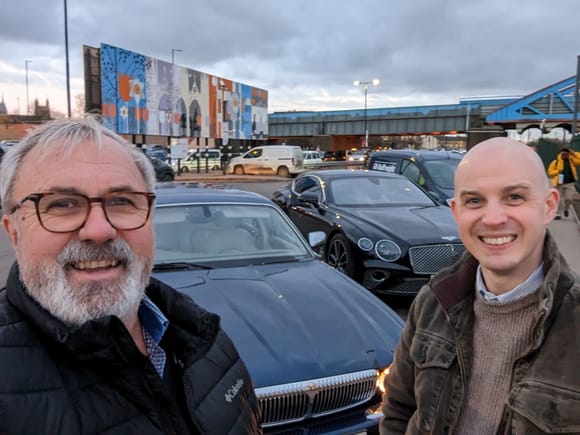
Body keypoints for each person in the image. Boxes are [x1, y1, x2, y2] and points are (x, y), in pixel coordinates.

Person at [0, 117, 261, 434]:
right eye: (62, 204)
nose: (99, 230)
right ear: (14, 233)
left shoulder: (204, 338)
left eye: (122, 201)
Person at [380, 137, 579, 434]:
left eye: (514, 197)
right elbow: (398, 411)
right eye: (474, 201)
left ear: (549, 206)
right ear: (456, 211)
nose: (494, 219)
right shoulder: (433, 302)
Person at [547, 147, 580, 219]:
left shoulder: (572, 161)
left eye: (566, 154)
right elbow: (549, 172)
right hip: (559, 183)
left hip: (570, 183)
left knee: (569, 198)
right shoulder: (555, 162)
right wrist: (557, 172)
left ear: (568, 154)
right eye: (563, 154)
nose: (565, 155)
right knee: (559, 199)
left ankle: (566, 208)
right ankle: (558, 214)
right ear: (560, 154)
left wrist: (574, 153)